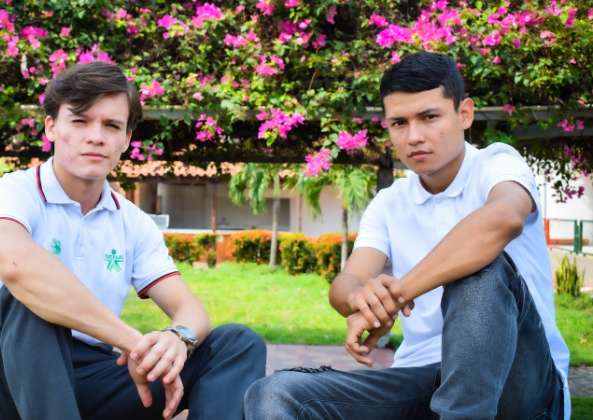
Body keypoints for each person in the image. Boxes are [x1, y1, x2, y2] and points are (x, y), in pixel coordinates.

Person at [244, 52, 570, 420]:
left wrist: (398, 294)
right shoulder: (390, 202)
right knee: (275, 394)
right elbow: (346, 283)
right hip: (421, 381)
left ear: (464, 113)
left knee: (478, 266)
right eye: (399, 122)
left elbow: (503, 218)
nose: (414, 136)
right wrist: (363, 300)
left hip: (519, 382)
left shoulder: (498, 164)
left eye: (429, 117)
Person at [0, 61, 266, 420]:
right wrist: (134, 343)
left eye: (112, 125)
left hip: (91, 377)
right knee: (28, 298)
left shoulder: (133, 223)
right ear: (51, 127)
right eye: (80, 121)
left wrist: (178, 338)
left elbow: (189, 309)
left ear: (126, 138)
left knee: (236, 343)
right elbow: (18, 268)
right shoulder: (7, 193)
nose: (96, 137)